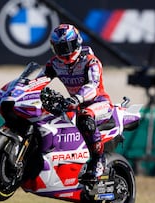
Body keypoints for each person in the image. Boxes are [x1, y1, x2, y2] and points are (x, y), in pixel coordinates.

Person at [39, 24, 113, 180]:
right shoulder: (54, 64)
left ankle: (98, 160)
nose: (65, 52)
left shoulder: (90, 61)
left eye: (68, 46)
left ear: (77, 42)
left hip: (99, 102)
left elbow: (93, 86)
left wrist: (77, 98)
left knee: (85, 118)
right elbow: (39, 81)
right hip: (75, 105)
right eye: (60, 48)